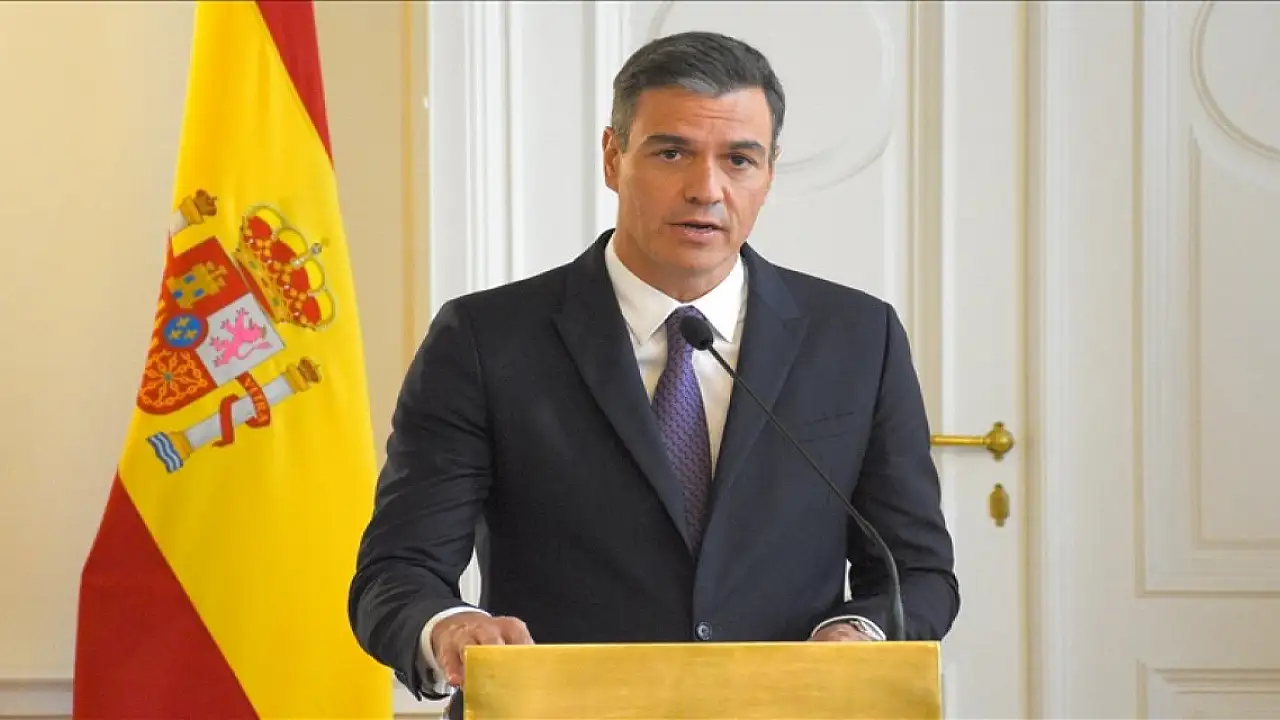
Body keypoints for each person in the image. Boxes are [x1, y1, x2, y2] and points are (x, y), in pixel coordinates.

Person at [348, 30, 959, 718]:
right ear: (613, 158)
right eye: (672, 153)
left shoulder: (859, 337)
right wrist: (450, 629)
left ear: (769, 173)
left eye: (739, 160)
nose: (706, 190)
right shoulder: (484, 338)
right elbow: (397, 572)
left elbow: (917, 572)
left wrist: (859, 633)